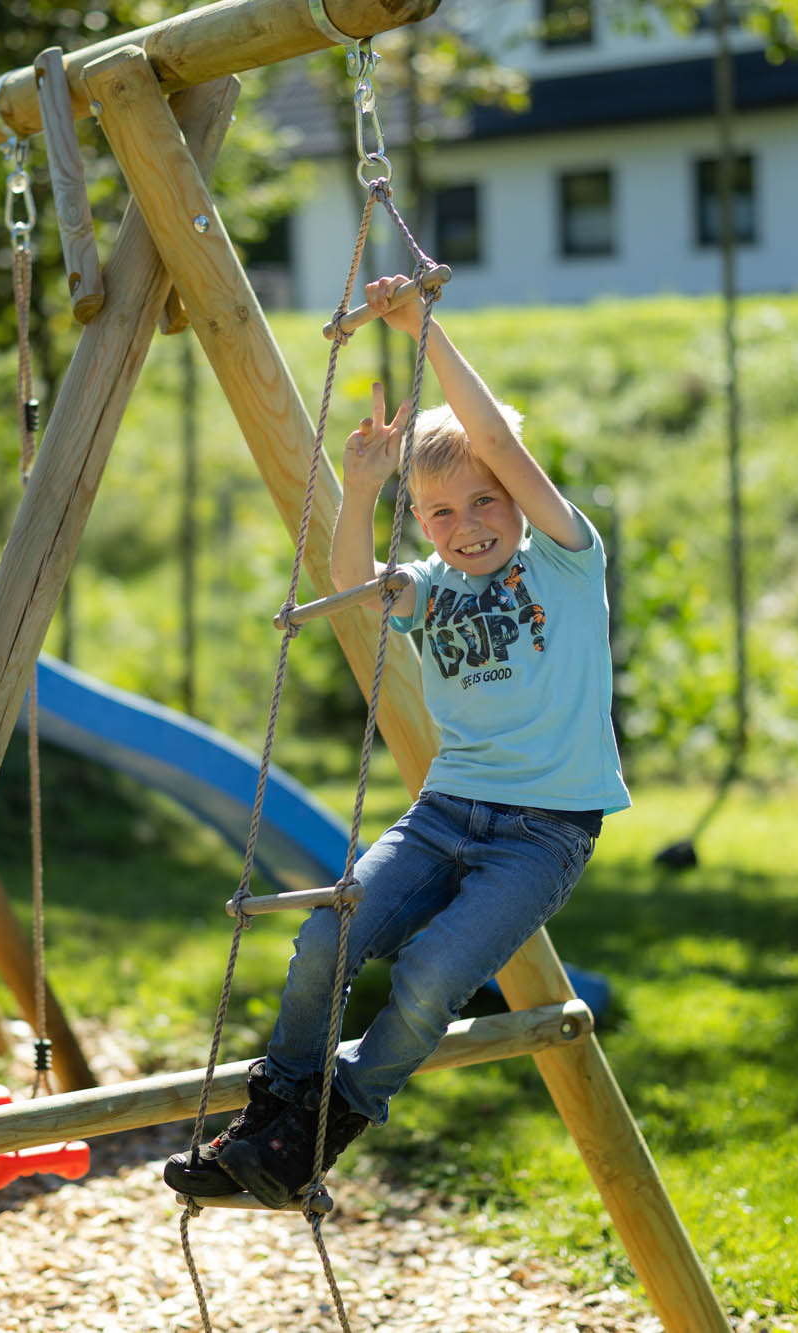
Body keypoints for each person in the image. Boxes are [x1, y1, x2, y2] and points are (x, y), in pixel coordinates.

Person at [165, 274, 629, 1208]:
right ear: (421, 522)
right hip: (445, 809)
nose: (467, 526)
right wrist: (366, 486)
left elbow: (492, 438)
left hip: (542, 833)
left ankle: (328, 1127)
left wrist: (423, 328)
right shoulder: (428, 582)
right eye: (442, 512)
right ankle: (276, 1116)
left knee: (430, 978)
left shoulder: (569, 563)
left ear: (521, 500)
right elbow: (348, 585)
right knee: (323, 942)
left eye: (487, 502)